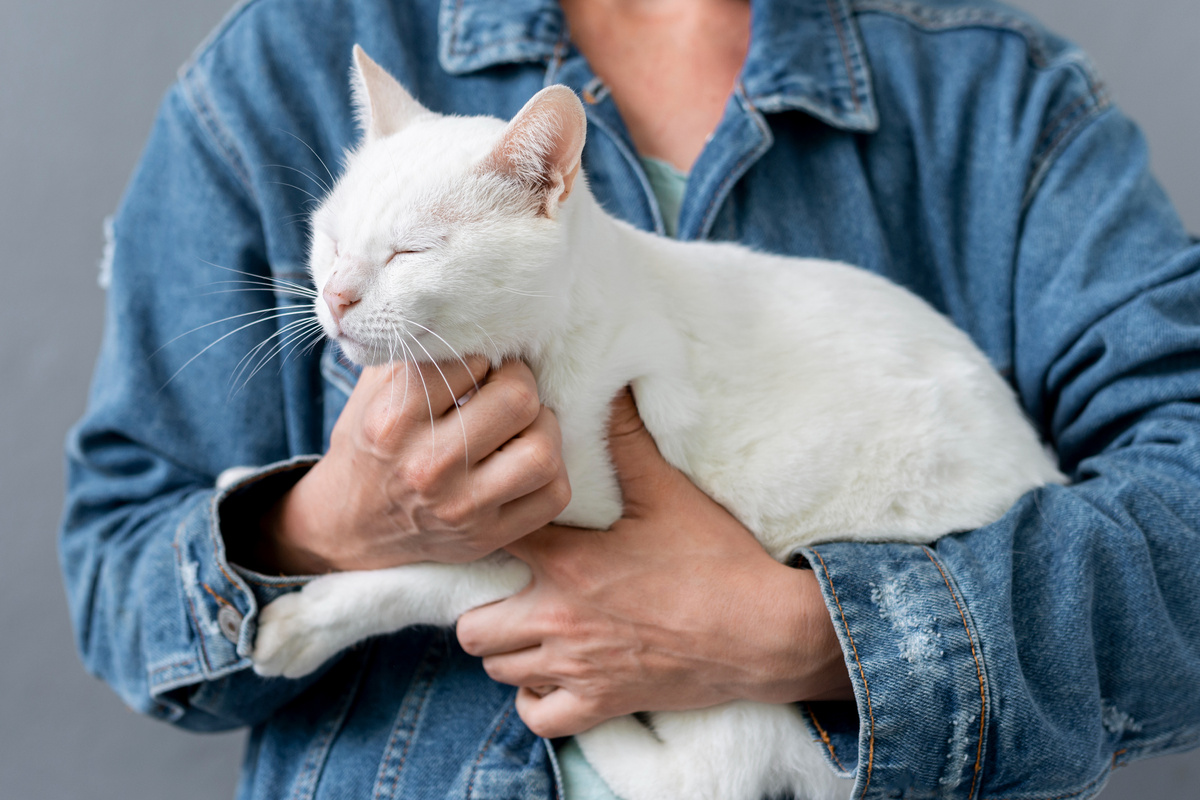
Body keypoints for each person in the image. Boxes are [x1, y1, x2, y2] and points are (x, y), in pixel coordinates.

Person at [60, 0, 1200, 798]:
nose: (340, 297)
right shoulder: (278, 58)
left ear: (551, 183)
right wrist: (332, 523)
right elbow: (118, 578)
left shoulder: (996, 94)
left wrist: (805, 633)